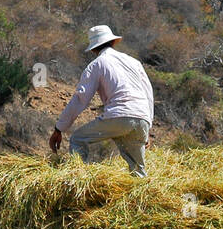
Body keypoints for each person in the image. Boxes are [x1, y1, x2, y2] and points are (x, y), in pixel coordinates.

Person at [49, 25, 155, 173]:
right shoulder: (134, 62)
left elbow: (81, 99)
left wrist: (59, 128)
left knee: (77, 140)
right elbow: (148, 94)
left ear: (93, 49)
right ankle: (142, 192)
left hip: (119, 116)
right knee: (138, 170)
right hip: (142, 118)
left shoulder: (97, 65)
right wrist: (147, 126)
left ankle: (81, 182)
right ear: (112, 42)